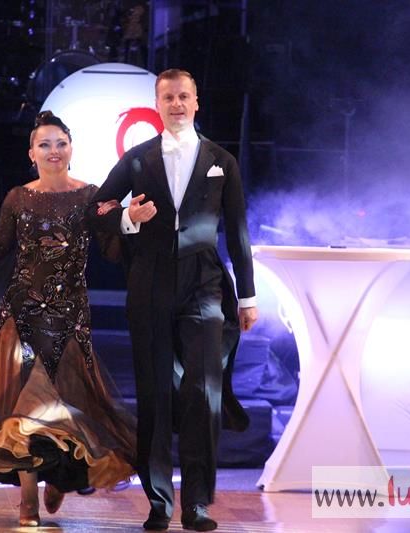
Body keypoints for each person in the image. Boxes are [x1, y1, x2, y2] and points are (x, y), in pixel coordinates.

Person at [0, 110, 135, 527]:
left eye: (60, 143)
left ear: (72, 149)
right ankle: (28, 498)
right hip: (21, 317)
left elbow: (112, 252)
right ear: (32, 153)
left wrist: (128, 221)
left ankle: (61, 477)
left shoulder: (90, 196)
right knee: (22, 410)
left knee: (65, 411)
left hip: (70, 320)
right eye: (44, 144)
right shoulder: (18, 198)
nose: (53, 151)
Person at [86, 69, 259, 532]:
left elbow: (238, 232)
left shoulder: (222, 160)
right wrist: (128, 217)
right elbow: (95, 210)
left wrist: (247, 297)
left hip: (204, 281)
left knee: (204, 391)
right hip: (151, 280)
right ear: (157, 104)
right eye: (169, 97)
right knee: (155, 392)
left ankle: (197, 503)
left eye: (184, 96)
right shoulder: (137, 158)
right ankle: (159, 502)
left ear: (196, 102)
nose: (177, 104)